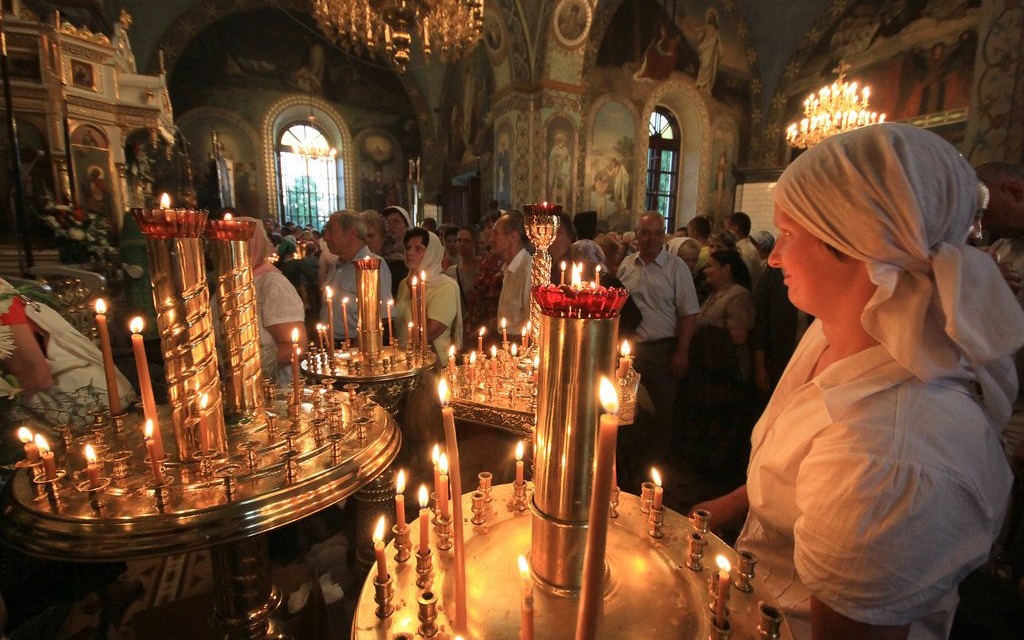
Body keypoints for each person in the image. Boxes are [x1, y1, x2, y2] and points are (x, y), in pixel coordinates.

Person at [695, 124, 1024, 639]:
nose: (775, 256)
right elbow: (798, 479)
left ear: (854, 244)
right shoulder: (831, 334)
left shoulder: (887, 450)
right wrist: (728, 506)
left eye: (789, 234)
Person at [617, 211, 700, 472]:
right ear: (636, 236)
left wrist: (682, 352)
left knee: (661, 415)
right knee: (627, 412)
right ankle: (630, 468)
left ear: (663, 236)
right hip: (632, 351)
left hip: (663, 351)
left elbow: (689, 313)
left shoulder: (677, 268)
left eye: (656, 233)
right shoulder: (627, 265)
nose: (651, 239)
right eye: (645, 233)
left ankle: (654, 474)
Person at [678, 249, 755, 479]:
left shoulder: (738, 295)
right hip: (708, 371)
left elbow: (739, 335)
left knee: (721, 426)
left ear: (727, 269)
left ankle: (716, 474)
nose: (706, 270)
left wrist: (702, 335)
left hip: (726, 373)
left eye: (711, 266)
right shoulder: (715, 293)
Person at [239, 217, 307, 383]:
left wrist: (240, 366)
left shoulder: (272, 284)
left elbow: (295, 345)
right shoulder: (230, 283)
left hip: (272, 386)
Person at [321, 210, 393, 342]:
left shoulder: (373, 265)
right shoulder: (336, 265)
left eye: (331, 230)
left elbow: (383, 318)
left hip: (352, 349)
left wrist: (356, 351)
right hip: (329, 346)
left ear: (351, 233)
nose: (325, 237)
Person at [394, 229, 462, 362]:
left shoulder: (445, 287)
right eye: (408, 247)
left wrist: (418, 295)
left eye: (418, 249)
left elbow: (428, 335)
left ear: (432, 253)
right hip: (405, 362)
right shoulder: (405, 284)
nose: (410, 252)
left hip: (432, 364)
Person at [492, 211, 532, 339]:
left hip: (519, 344)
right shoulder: (508, 268)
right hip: (504, 341)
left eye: (496, 234)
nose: (491, 239)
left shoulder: (527, 270)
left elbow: (532, 319)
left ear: (514, 236)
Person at [445, 226, 481, 310]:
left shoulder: (483, 268)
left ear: (475, 243)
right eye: (459, 240)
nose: (461, 244)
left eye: (466, 241)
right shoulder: (451, 271)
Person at [724, 211, 763, 287]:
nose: (725, 232)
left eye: (727, 227)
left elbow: (742, 281)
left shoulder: (744, 252)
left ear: (735, 228)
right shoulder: (744, 247)